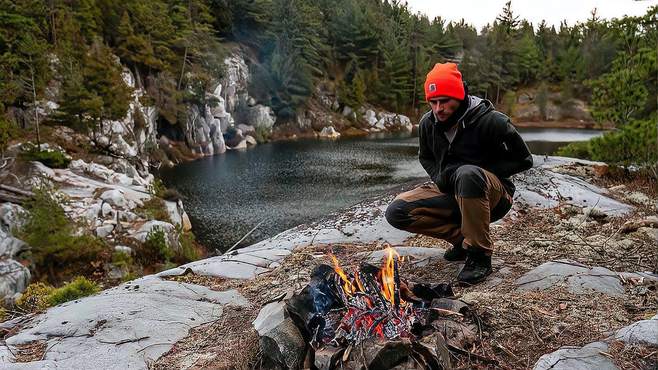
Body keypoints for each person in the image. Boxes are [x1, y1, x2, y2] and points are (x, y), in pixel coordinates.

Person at [385, 62, 533, 284]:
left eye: (444, 101)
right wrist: (440, 177)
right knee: (397, 211)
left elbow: (524, 160)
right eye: (433, 102)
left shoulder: (492, 121)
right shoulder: (428, 123)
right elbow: (425, 157)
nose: (438, 109)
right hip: (454, 189)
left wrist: (478, 170)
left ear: (460, 95)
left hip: (495, 195)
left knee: (468, 175)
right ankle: (463, 241)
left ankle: (480, 255)